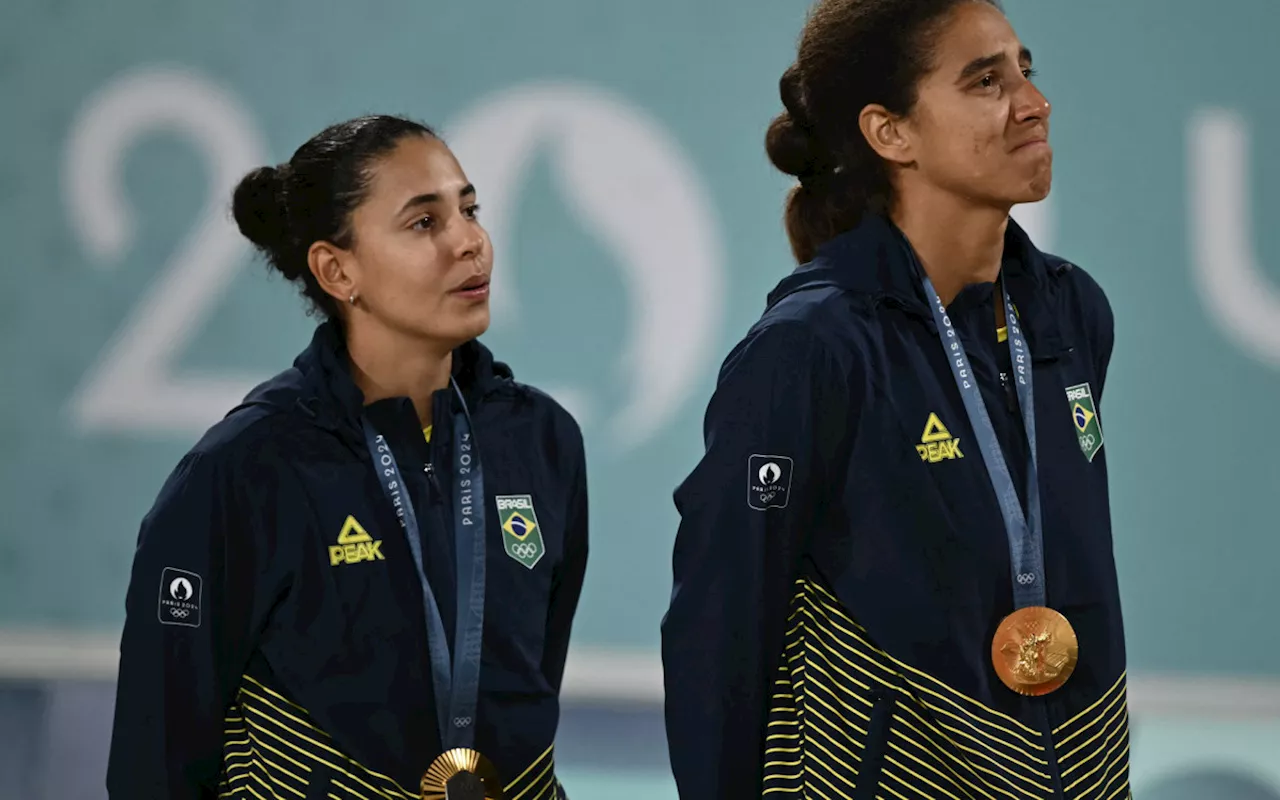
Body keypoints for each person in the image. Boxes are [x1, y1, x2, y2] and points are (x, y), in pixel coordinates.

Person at [661, 1, 1129, 798]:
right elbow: (720, 631)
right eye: (986, 80)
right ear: (891, 133)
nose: (1032, 103)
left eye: (1026, 70)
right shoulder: (811, 348)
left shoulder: (1069, 313)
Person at [106, 115, 589, 800]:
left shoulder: (542, 439)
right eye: (424, 223)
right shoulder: (247, 468)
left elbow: (530, 680)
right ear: (337, 271)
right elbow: (158, 756)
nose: (470, 242)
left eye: (469, 209)